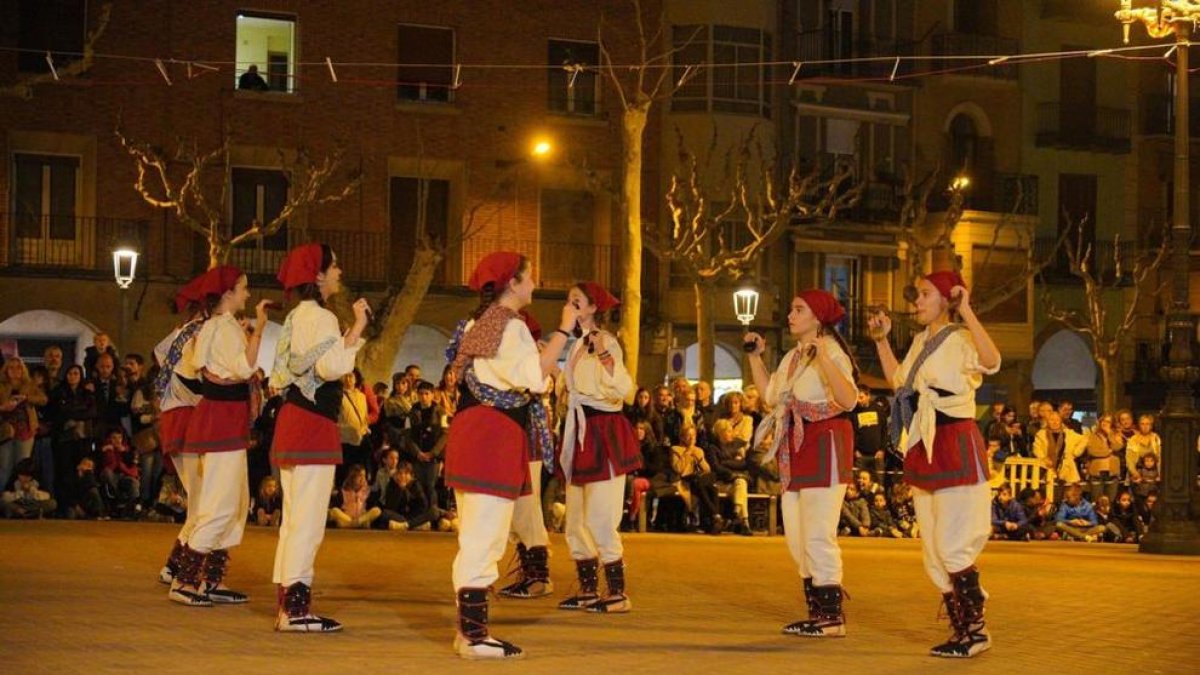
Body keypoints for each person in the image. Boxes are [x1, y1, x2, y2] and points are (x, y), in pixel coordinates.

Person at [442, 251, 576, 659]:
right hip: (493, 435)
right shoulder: (510, 325)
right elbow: (534, 378)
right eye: (529, 276)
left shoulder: (482, 322)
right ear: (512, 283)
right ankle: (474, 636)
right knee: (485, 537)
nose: (534, 283)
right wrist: (564, 330)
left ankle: (470, 630)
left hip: (472, 431)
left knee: (475, 534)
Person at [869, 270, 1000, 658]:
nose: (917, 301)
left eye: (926, 294)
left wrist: (967, 310)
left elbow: (992, 361)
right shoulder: (920, 340)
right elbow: (900, 383)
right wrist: (881, 341)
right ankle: (963, 628)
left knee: (953, 542)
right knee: (932, 546)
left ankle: (976, 631)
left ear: (947, 299)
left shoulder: (961, 338)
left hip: (954, 439)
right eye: (918, 295)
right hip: (925, 441)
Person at [746, 288, 858, 638]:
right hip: (795, 443)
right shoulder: (792, 356)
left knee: (818, 532)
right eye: (792, 309)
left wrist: (823, 356)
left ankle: (831, 616)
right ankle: (817, 611)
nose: (790, 316)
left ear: (818, 317)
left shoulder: (832, 352)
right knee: (796, 535)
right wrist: (755, 358)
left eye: (798, 310)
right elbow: (771, 397)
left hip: (825, 440)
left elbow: (848, 399)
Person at [268, 243, 368, 632]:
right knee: (307, 522)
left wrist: (349, 334)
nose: (340, 271)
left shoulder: (297, 315)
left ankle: (287, 603)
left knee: (294, 519)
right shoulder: (322, 317)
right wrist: (357, 330)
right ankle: (295, 610)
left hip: (294, 419)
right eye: (335, 265)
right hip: (312, 424)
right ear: (319, 275)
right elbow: (329, 368)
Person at [170, 265, 267, 607]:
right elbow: (243, 368)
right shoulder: (222, 328)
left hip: (224, 422)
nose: (247, 294)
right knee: (221, 504)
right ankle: (185, 581)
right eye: (243, 288)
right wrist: (259, 331)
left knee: (234, 503)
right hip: (222, 423)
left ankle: (210, 580)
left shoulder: (217, 326)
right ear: (227, 293)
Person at [556, 282, 640, 614]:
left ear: (593, 308)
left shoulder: (606, 341)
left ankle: (617, 592)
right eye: (569, 300)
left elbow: (624, 390)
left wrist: (604, 355)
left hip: (604, 431)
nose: (571, 305)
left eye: (577, 301)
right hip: (580, 429)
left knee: (601, 515)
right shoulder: (576, 344)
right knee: (575, 517)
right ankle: (589, 589)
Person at [153, 273, 209, 585]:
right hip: (188, 419)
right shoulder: (199, 332)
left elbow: (161, 358)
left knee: (199, 502)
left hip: (176, 417)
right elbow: (192, 376)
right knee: (201, 504)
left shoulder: (181, 332)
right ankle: (177, 568)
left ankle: (176, 566)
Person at [497, 310, 554, 600]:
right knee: (515, 509)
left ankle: (539, 577)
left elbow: (538, 386)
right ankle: (530, 574)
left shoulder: (532, 359)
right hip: (513, 439)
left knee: (527, 508)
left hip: (528, 441)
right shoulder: (518, 358)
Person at [1, 356, 49, 493]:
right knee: (5, 466)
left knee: (22, 467)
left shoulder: (29, 384)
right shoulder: (1, 385)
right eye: (11, 368)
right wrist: (4, 407)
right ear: (6, 370)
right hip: (6, 430)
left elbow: (43, 399)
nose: (15, 371)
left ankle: (20, 497)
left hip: (26, 430)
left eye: (18, 368)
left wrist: (27, 398)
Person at [1033, 411, 1086, 486]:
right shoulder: (1041, 434)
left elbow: (1084, 439)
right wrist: (1043, 458)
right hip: (1047, 467)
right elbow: (1037, 448)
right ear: (1047, 421)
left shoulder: (1069, 433)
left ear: (1061, 421)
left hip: (1067, 469)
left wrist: (1075, 453)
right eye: (1052, 420)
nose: (1055, 422)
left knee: (1067, 491)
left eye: (1057, 420)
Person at [1083, 414, 1123, 504]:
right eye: (1103, 421)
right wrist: (1107, 452)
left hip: (1112, 473)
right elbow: (1092, 451)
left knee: (1110, 502)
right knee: (1097, 502)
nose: (1105, 423)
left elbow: (1117, 447)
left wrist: (1109, 435)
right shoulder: (1093, 436)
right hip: (1097, 473)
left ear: (1112, 424)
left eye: (1108, 422)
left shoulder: (1117, 435)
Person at [329, 464, 381, 529]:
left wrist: (361, 519)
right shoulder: (343, 492)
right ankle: (352, 524)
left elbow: (374, 510)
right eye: (360, 476)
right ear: (352, 477)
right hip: (347, 519)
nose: (363, 479)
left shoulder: (368, 492)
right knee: (334, 511)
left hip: (361, 520)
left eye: (364, 476)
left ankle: (354, 524)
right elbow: (335, 509)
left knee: (377, 510)